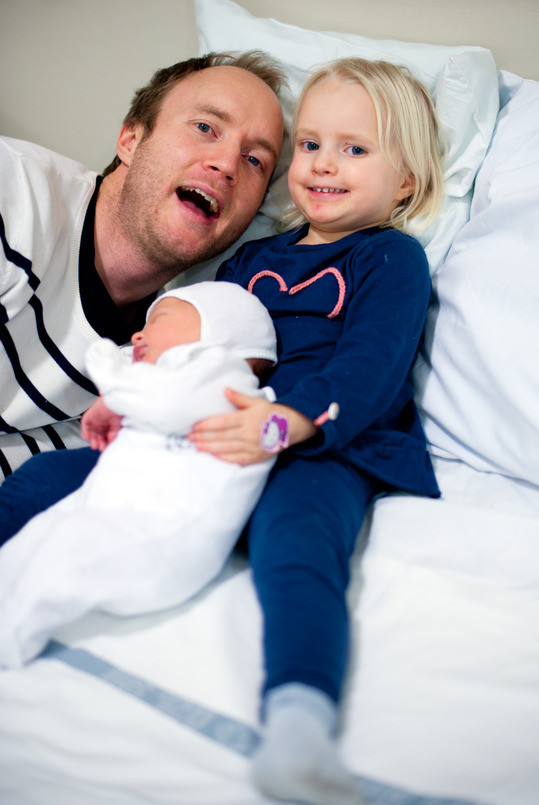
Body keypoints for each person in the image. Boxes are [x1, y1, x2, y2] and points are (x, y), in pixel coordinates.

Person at [187, 58, 444, 804]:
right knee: (59, 477)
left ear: (405, 181)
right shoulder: (250, 259)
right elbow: (201, 343)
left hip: (325, 445)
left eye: (354, 149)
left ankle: (298, 723)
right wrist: (147, 401)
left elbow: (371, 367)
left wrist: (288, 422)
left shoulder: (389, 257)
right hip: (227, 428)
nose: (323, 163)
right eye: (309, 144)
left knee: (300, 545)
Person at [0, 49, 284, 491]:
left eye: (255, 161)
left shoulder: (168, 372)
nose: (228, 164)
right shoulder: (15, 194)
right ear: (131, 140)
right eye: (205, 128)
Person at [0, 281, 278, 669]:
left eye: (158, 319)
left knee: (64, 556)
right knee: (35, 538)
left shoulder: (227, 381)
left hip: (164, 539)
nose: (138, 335)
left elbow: (166, 402)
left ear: (217, 332)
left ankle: (10, 640)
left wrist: (107, 370)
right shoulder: (170, 379)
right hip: (111, 511)